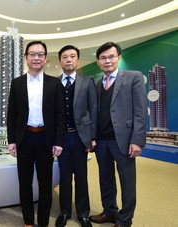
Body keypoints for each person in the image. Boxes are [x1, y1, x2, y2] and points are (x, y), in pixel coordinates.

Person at [7, 40, 65, 227]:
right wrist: (12, 140)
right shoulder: (16, 83)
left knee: (45, 185)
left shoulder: (54, 83)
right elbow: (11, 114)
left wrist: (58, 141)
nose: (36, 57)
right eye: (32, 54)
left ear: (46, 58)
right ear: (26, 58)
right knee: (24, 184)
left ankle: (43, 222)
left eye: (40, 54)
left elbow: (60, 115)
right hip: (23, 139)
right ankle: (28, 222)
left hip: (45, 140)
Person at [89, 42, 147, 227]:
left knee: (127, 182)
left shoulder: (133, 77)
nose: (107, 61)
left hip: (123, 140)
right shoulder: (97, 84)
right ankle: (109, 212)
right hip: (102, 141)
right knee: (105, 179)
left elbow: (140, 111)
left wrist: (137, 140)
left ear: (119, 58)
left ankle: (125, 219)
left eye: (111, 56)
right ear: (98, 61)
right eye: (103, 58)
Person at [55, 45, 97, 227]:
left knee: (81, 177)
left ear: (77, 60)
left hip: (80, 138)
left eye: (72, 56)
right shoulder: (54, 83)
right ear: (60, 61)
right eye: (65, 57)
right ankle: (64, 212)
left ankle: (83, 214)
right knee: (64, 177)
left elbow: (93, 110)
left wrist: (92, 137)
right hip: (61, 138)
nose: (69, 59)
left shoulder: (87, 82)